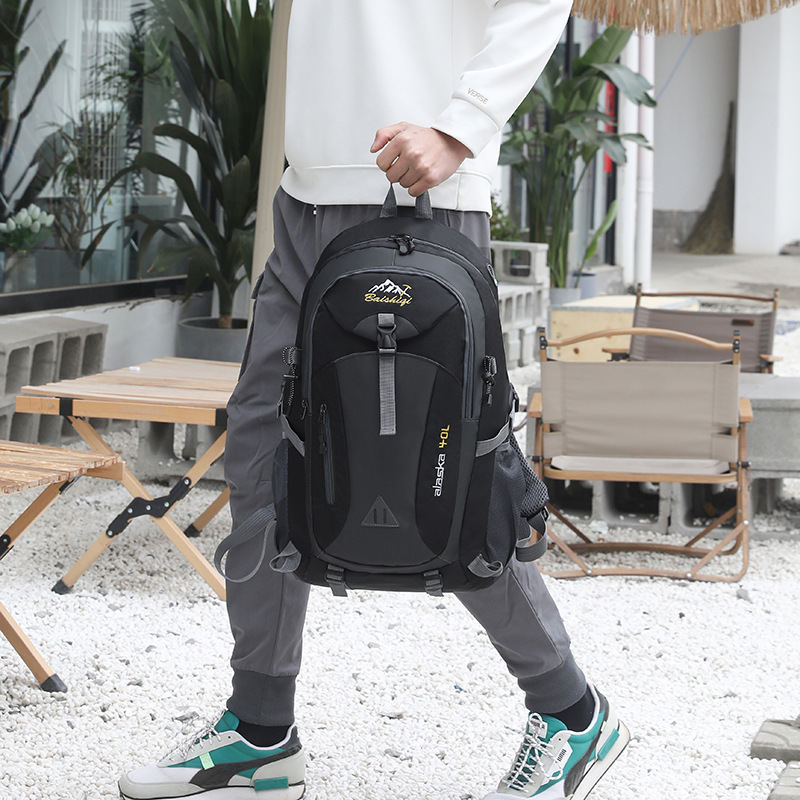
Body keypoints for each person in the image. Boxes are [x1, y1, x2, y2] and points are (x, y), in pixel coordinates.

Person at [119, 2, 630, 799]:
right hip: (304, 199)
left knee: (444, 475)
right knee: (263, 450)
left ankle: (571, 711)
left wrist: (460, 127)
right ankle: (260, 729)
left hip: (422, 193)